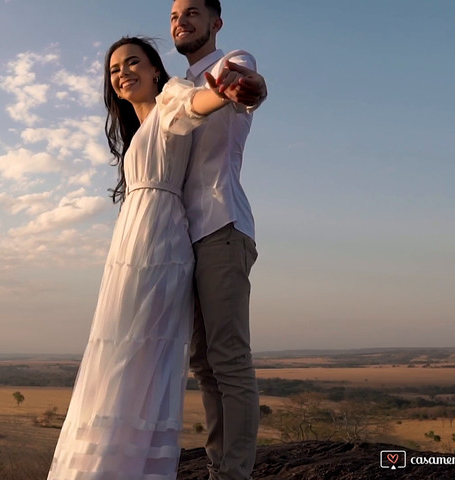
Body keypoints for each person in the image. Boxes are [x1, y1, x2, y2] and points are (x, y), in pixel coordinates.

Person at [47, 37, 255, 480]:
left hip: (159, 241)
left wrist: (222, 91)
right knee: (121, 346)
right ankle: (113, 462)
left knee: (141, 350)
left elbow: (196, 103)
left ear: (156, 69)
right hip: (131, 243)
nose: (122, 73)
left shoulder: (171, 96)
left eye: (132, 62)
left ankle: (131, 464)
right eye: (114, 69)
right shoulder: (138, 128)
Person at [171, 0, 268, 479]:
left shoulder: (232, 62)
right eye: (173, 16)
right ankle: (218, 467)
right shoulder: (176, 88)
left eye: (190, 12)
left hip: (222, 224)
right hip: (184, 238)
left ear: (215, 23)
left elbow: (249, 88)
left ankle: (235, 473)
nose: (180, 21)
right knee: (203, 364)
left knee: (228, 358)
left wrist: (244, 88)